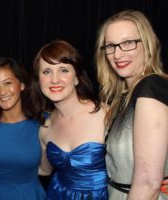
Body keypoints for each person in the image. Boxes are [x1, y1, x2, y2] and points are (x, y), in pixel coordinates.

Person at [95, 10, 168, 199]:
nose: (117, 54)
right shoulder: (124, 97)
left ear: (148, 44)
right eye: (110, 46)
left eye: (128, 43)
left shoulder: (150, 87)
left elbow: (147, 184)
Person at [32, 40, 108, 199]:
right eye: (46, 72)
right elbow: (43, 170)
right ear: (39, 81)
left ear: (76, 78)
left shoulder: (105, 114)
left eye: (63, 70)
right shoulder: (45, 128)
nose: (54, 79)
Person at [0, 57, 46, 200]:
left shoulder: (43, 122)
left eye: (7, 83)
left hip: (28, 194)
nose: (2, 92)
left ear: (21, 84)